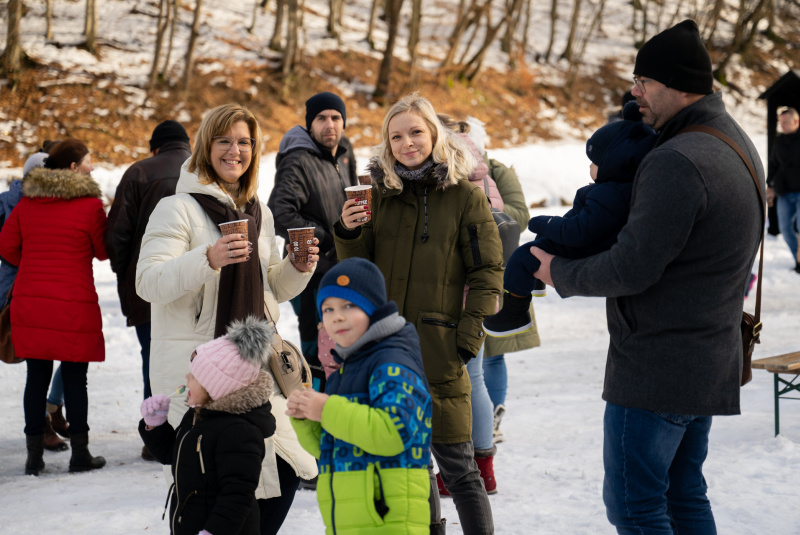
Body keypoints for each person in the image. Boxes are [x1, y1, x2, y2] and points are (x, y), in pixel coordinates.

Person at [532, 20, 764, 533]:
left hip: (657, 369)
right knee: (684, 497)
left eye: (643, 82)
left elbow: (631, 267)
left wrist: (559, 272)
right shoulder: (735, 141)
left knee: (636, 507)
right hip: (705, 357)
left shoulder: (676, 160)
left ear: (679, 86)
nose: (634, 94)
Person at [135, 103, 319, 535]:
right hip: (198, 373)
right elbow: (148, 282)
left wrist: (299, 265)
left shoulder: (259, 211)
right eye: (224, 141)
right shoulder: (176, 208)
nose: (235, 151)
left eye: (244, 142)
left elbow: (272, 289)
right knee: (205, 493)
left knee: (287, 467)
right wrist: (208, 258)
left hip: (255, 370)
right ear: (205, 146)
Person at [334, 92, 503, 535]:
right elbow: (357, 274)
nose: (407, 143)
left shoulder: (465, 196)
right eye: (396, 136)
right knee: (411, 468)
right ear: (386, 144)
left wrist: (467, 337)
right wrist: (348, 231)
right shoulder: (376, 195)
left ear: (433, 134)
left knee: (460, 468)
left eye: (415, 132)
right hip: (384, 352)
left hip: (440, 348)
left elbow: (488, 271)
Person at [483, 101, 658, 337]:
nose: (590, 166)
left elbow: (580, 231)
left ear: (615, 164)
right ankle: (534, 284)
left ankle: (515, 312)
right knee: (537, 244)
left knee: (521, 257)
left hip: (584, 246)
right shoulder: (618, 189)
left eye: (595, 162)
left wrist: (543, 222)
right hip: (589, 241)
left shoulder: (610, 193)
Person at [287, 258, 433, 534]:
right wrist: (306, 419)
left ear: (374, 309)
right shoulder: (349, 367)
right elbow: (335, 448)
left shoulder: (392, 362)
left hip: (387, 522)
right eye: (327, 309)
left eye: (349, 305)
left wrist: (326, 409)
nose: (336, 316)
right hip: (351, 522)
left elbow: (393, 432)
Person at [0, 139, 108, 475]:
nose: (92, 166)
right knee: (76, 379)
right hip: (74, 303)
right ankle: (80, 455)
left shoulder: (28, 203)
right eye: (88, 160)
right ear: (74, 168)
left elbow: (7, 248)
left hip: (31, 301)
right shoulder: (90, 205)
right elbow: (104, 251)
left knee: (36, 377)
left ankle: (34, 458)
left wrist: (34, 265)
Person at [140, 317, 277, 535]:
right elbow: (172, 455)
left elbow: (237, 496)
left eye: (194, 376)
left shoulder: (239, 432)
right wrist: (154, 425)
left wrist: (214, 531)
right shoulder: (197, 415)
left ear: (217, 386)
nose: (186, 378)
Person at [106, 120, 192, 461]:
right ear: (186, 145)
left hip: (149, 285)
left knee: (154, 358)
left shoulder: (138, 173)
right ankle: (195, 429)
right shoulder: (203, 168)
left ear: (155, 148)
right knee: (197, 356)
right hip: (197, 281)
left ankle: (155, 434)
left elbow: (118, 235)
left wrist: (124, 272)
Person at [267, 91, 358, 392]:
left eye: (335, 117)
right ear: (309, 125)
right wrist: (330, 235)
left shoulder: (345, 152)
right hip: (310, 272)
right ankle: (315, 417)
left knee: (345, 346)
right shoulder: (298, 159)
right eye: (321, 118)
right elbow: (281, 214)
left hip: (344, 267)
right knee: (317, 351)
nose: (329, 124)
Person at [436, 113, 503, 495]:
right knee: (474, 380)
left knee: (449, 383)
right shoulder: (483, 170)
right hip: (478, 288)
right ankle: (485, 469)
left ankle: (455, 472)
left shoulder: (451, 176)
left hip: (449, 292)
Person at [464, 116, 541, 445]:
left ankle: (493, 416)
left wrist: (489, 211)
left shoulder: (496, 171)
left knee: (493, 354)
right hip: (479, 271)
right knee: (477, 358)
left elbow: (521, 214)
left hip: (503, 267)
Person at [1, 150, 71, 453]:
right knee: (38, 363)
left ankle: (51, 408)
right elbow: (5, 249)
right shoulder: (10, 201)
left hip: (48, 287)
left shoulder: (56, 200)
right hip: (16, 288)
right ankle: (43, 425)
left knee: (66, 355)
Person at [766, 106, 800, 272]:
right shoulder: (779, 140)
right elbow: (773, 164)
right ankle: (798, 260)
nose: (783, 126)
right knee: (786, 229)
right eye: (781, 123)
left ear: (796, 121)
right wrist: (769, 185)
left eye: (786, 122)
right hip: (784, 191)